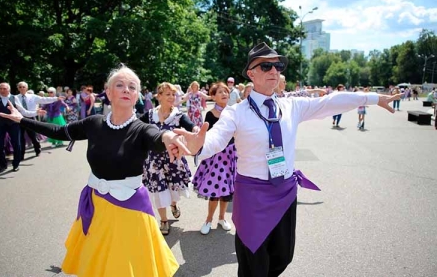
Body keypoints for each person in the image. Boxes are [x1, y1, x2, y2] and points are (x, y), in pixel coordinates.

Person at [174, 42, 401, 277]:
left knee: (283, 257)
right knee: (254, 263)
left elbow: (330, 101)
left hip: (284, 192)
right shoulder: (236, 112)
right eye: (266, 66)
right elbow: (215, 139)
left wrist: (373, 98)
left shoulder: (291, 106)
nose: (274, 70)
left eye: (278, 65)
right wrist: (196, 145)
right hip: (252, 196)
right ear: (251, 74)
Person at [0, 64, 202, 277]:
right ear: (108, 93)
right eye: (120, 85)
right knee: (96, 266)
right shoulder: (94, 123)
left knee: (123, 267)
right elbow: (59, 131)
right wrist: (23, 120)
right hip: (96, 207)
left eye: (132, 87)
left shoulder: (141, 128)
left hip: (130, 210)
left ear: (137, 96)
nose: (126, 89)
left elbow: (159, 136)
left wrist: (170, 138)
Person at [140, 82, 199, 235]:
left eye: (173, 94)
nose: (172, 97)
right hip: (153, 161)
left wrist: (196, 130)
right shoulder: (149, 114)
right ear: (159, 96)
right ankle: (164, 220)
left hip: (174, 160)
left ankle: (173, 205)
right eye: (168, 94)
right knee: (158, 190)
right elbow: (136, 127)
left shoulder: (178, 115)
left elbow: (191, 125)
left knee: (174, 190)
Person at [192, 82, 237, 235]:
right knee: (214, 191)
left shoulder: (234, 112)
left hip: (231, 155)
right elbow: (207, 136)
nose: (224, 94)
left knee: (227, 191)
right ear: (213, 96)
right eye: (220, 92)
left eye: (226, 91)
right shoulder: (210, 114)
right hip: (216, 157)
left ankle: (222, 218)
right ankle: (208, 220)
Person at [0, 83, 36, 173]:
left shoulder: (14, 98)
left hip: (13, 124)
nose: (2, 90)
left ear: (9, 89)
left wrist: (35, 113)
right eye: (0, 88)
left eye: (4, 88)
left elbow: (23, 111)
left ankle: (16, 164)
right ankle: (3, 165)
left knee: (16, 144)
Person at [16, 81, 61, 159]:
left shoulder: (32, 96)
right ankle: (21, 155)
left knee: (33, 136)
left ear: (26, 88)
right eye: (20, 87)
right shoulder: (16, 97)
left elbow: (44, 99)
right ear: (18, 88)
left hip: (31, 118)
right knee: (21, 138)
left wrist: (56, 98)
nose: (22, 88)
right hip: (20, 119)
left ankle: (37, 150)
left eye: (23, 87)